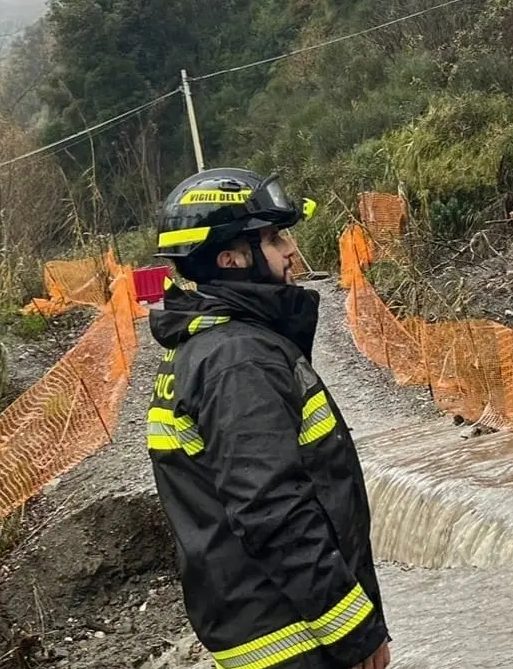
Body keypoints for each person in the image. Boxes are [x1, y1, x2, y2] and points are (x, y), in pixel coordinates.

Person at [145, 167, 392, 669]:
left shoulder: (207, 347)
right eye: (275, 238)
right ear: (232, 258)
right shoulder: (239, 361)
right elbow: (272, 509)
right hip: (296, 639)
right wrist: (355, 633)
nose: (291, 251)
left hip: (267, 626)